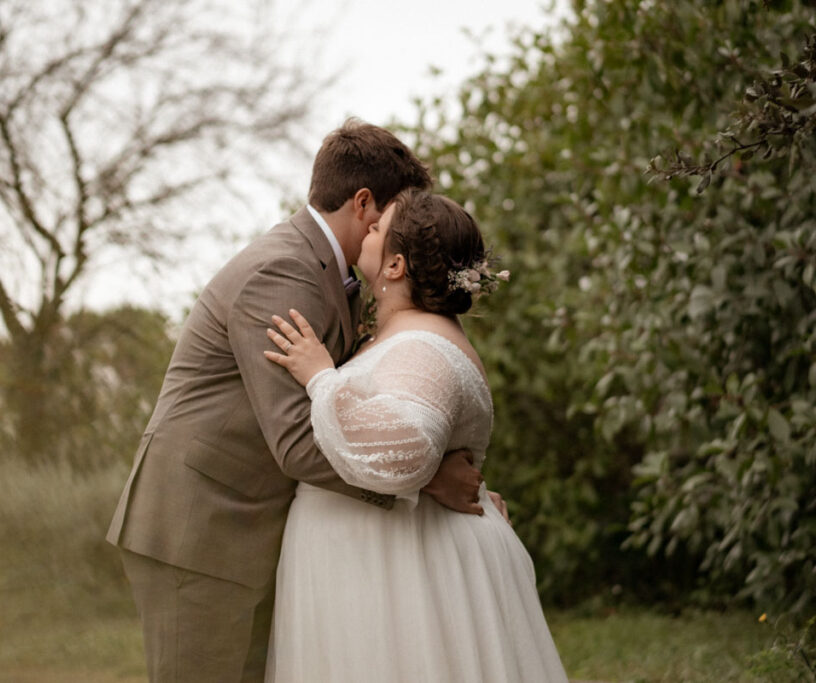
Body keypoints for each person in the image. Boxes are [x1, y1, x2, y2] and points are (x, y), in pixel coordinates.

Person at [105, 120, 504, 682]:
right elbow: (295, 441)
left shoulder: (331, 272)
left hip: (243, 529)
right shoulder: (284, 269)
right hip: (200, 533)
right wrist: (426, 479)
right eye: (391, 216)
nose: (392, 233)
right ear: (363, 203)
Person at [262, 189, 567, 682]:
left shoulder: (422, 343)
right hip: (384, 560)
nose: (369, 227)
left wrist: (321, 377)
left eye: (379, 228)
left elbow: (405, 451)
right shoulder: (413, 335)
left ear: (396, 265)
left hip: (399, 570)